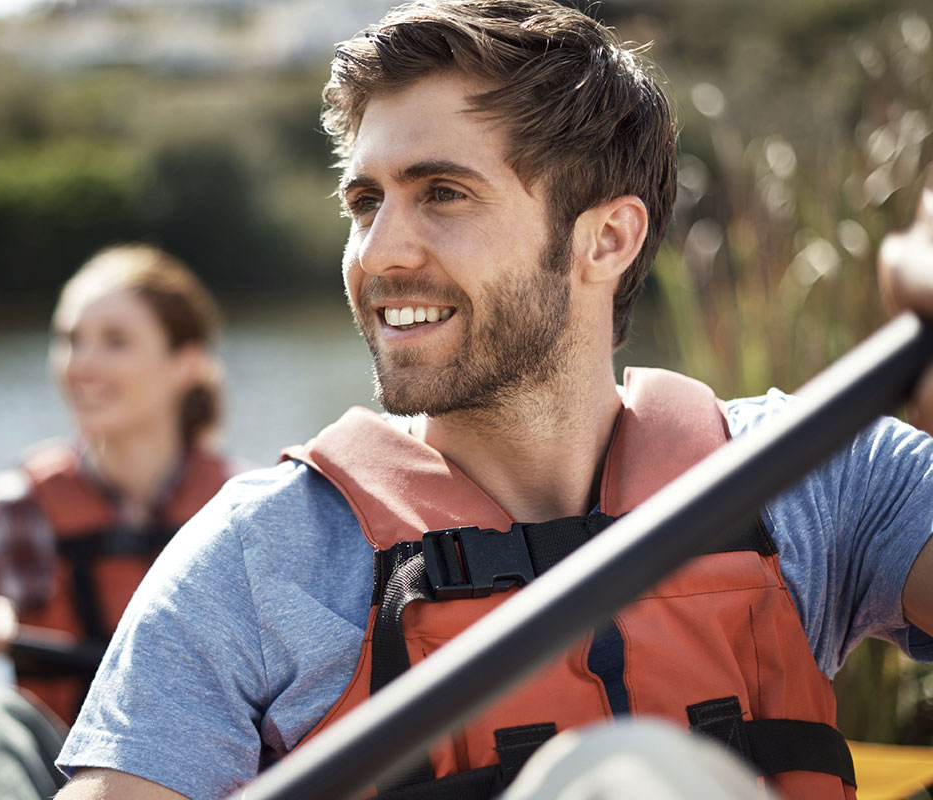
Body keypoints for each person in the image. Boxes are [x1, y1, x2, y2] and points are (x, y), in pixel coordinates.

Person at [54, 3, 933, 799]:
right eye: (366, 202)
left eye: (443, 193)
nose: (380, 253)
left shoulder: (818, 477)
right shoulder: (257, 561)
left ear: (608, 238)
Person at [0, 244, 245, 798]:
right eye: (69, 340)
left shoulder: (246, 509)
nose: (80, 364)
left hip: (199, 783)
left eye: (115, 341)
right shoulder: (18, 513)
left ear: (187, 362)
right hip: (60, 780)